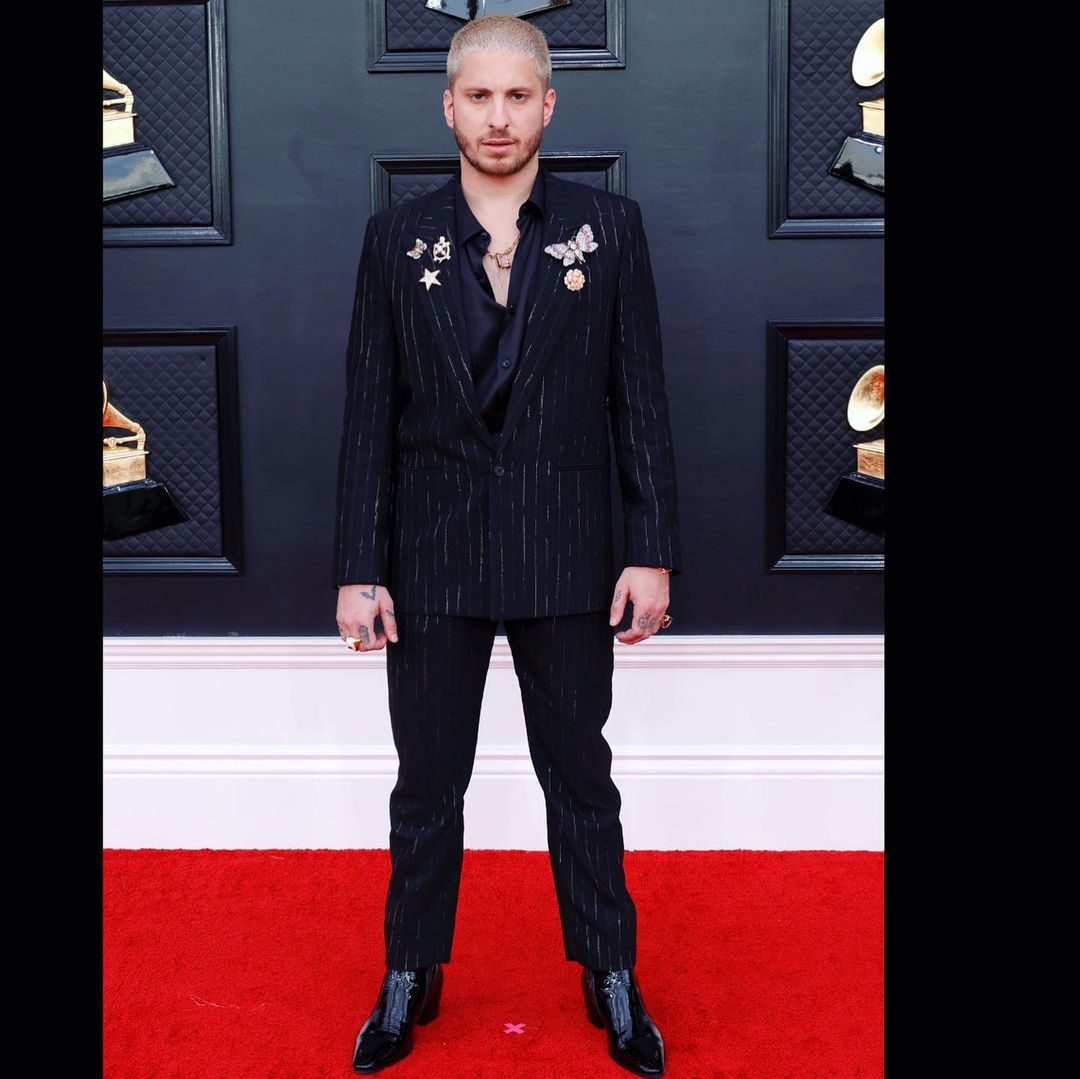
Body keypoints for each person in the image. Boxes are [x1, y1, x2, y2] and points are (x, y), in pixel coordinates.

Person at [333, 13, 681, 1076]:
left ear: (547, 106)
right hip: (433, 551)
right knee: (426, 780)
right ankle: (409, 969)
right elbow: (369, 411)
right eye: (478, 96)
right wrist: (359, 567)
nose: (497, 117)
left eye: (516, 96)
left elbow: (639, 397)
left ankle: (610, 971)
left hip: (566, 545)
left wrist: (651, 547)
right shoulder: (395, 239)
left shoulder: (609, 228)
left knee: (580, 774)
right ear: (448, 105)